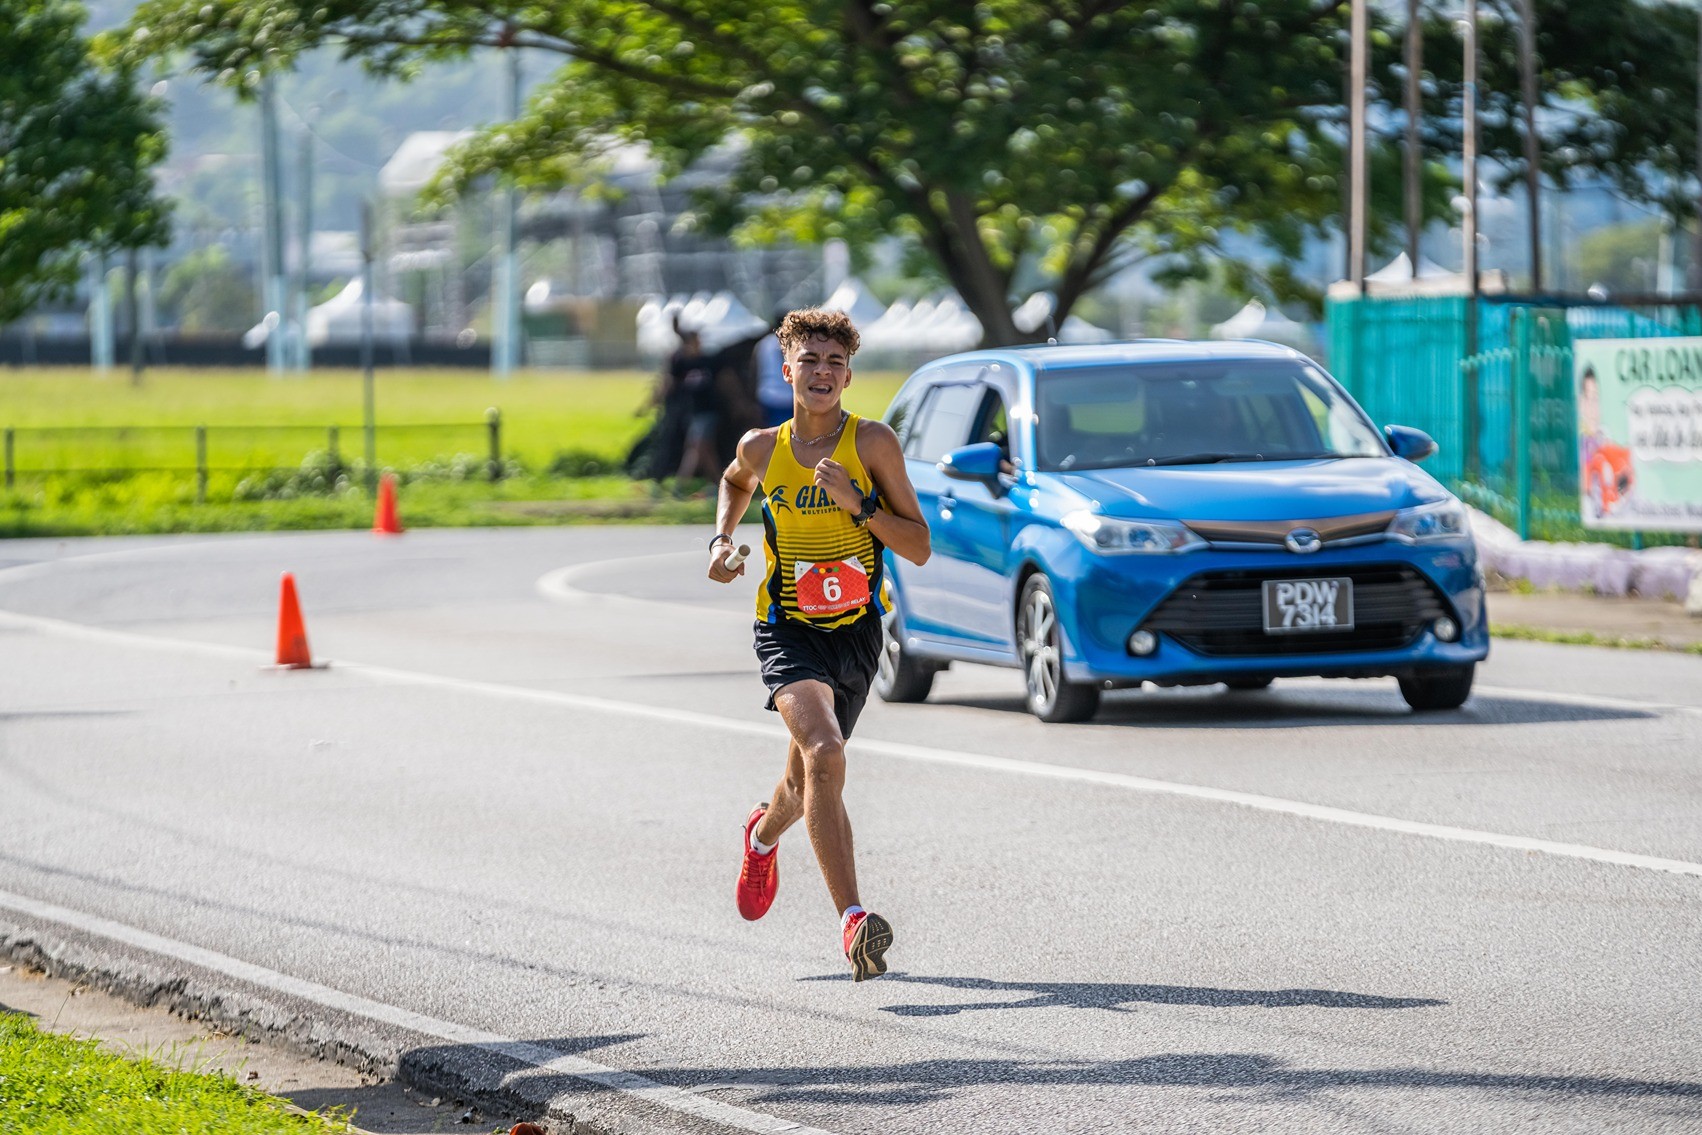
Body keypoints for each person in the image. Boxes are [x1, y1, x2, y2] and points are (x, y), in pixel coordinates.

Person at [706, 308, 930, 981]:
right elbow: (734, 481)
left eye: (835, 362)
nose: (823, 372)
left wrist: (860, 505)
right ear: (787, 370)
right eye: (810, 360)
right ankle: (853, 920)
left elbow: (918, 546)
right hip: (787, 626)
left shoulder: (872, 444)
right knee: (826, 752)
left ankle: (760, 835)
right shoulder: (761, 447)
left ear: (849, 375)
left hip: (856, 633)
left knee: (806, 779)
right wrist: (721, 540)